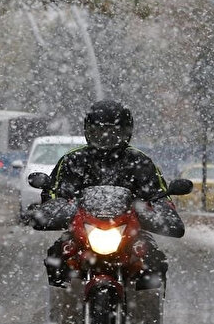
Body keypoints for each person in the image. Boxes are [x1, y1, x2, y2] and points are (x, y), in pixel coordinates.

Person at [40, 99, 183, 286]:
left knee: (153, 258)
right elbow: (55, 194)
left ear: (127, 132)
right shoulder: (73, 161)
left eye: (113, 132)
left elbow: (159, 196)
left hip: (129, 234)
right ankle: (62, 309)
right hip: (82, 232)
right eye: (99, 131)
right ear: (88, 131)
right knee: (58, 256)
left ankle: (147, 311)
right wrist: (47, 211)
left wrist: (163, 212)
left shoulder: (140, 162)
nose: (106, 137)